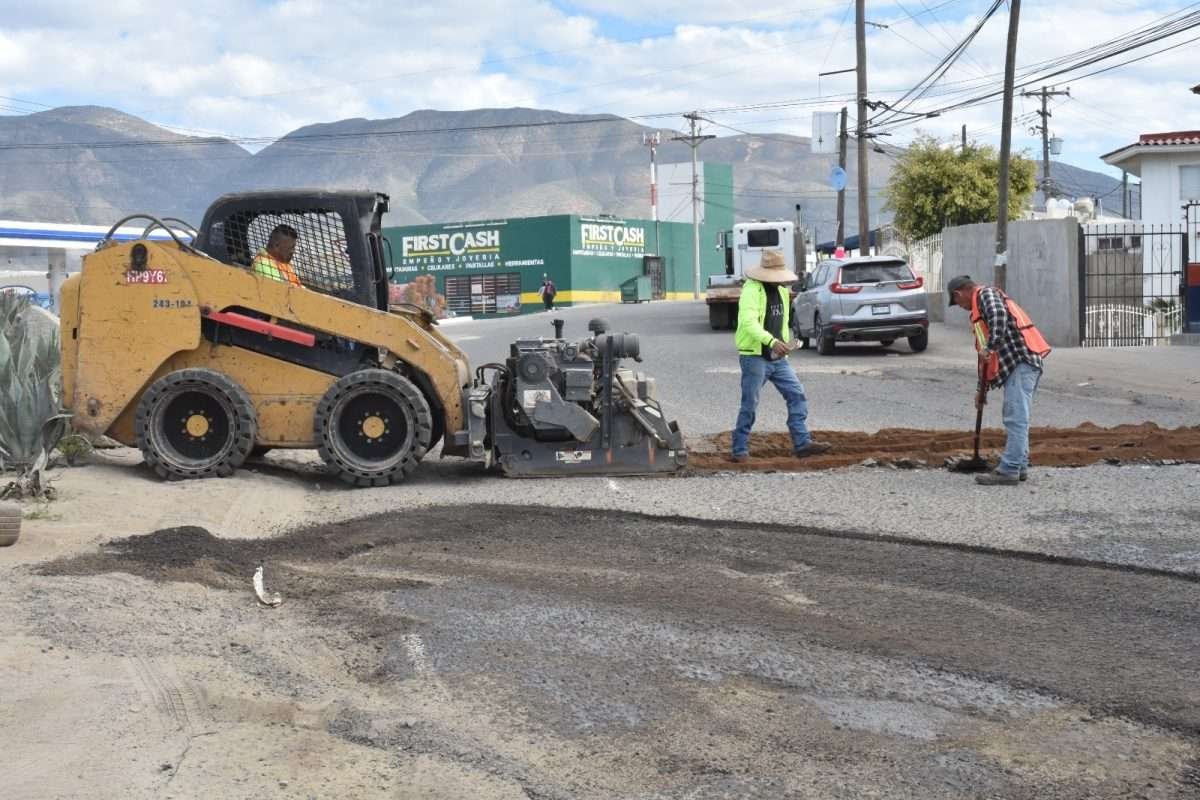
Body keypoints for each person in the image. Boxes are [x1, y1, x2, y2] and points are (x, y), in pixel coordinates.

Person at [947, 275, 1052, 486]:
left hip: (1021, 363)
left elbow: (999, 319)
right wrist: (981, 390)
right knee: (1017, 416)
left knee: (1015, 417)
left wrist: (991, 347)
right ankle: (1019, 465)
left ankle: (1010, 469)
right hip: (1019, 366)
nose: (960, 307)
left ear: (959, 294)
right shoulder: (977, 314)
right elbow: (983, 355)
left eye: (956, 302)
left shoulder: (985, 295)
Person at [731, 250, 831, 463]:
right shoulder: (751, 290)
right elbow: (749, 323)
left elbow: (781, 323)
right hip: (755, 356)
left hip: (778, 357)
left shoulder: (782, 292)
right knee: (750, 403)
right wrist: (772, 342)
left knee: (796, 394)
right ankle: (739, 449)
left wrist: (784, 343)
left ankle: (802, 443)